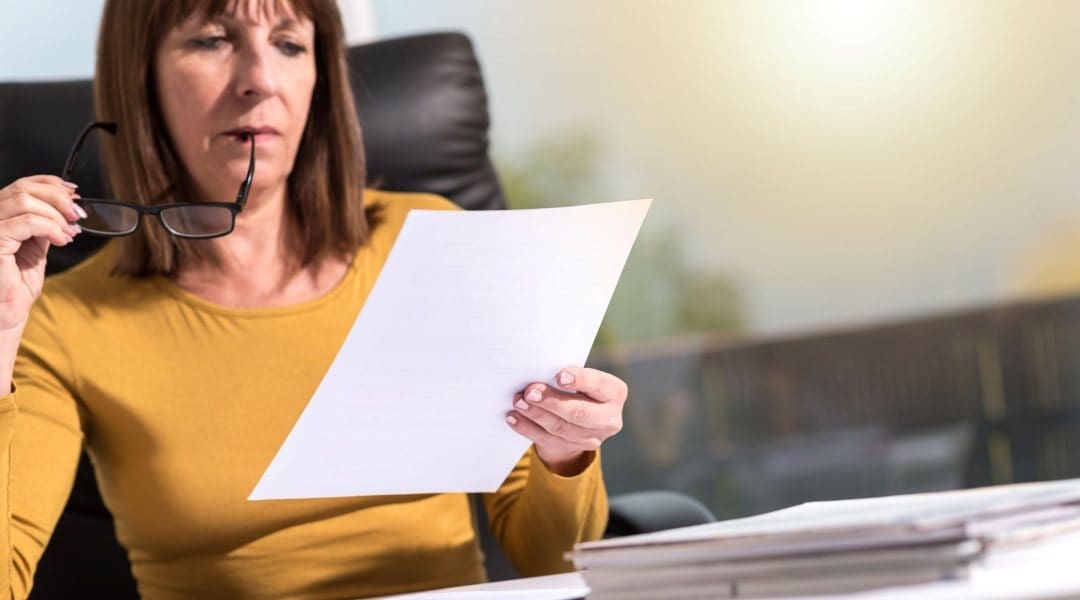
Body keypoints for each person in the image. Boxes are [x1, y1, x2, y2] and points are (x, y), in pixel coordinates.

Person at [0, 0, 628, 597]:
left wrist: (564, 448)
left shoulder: (430, 240)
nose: (259, 79)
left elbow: (557, 562)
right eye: (213, 39)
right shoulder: (60, 319)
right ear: (140, 79)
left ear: (319, 82)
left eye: (289, 44)